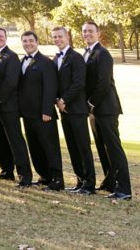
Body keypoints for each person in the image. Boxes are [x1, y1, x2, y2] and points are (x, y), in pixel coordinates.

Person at [82, 21, 133, 200]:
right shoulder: (87, 52)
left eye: (90, 31)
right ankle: (110, 182)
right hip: (94, 111)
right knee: (102, 148)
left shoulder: (103, 54)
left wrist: (91, 104)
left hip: (106, 109)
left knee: (113, 148)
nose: (87, 34)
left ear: (98, 33)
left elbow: (103, 83)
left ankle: (124, 189)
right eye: (84, 31)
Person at [52, 26, 95, 194]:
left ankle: (89, 184)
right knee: (72, 147)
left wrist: (64, 100)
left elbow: (79, 83)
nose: (57, 39)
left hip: (77, 110)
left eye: (60, 36)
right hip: (64, 111)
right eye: (55, 37)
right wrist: (57, 99)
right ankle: (80, 180)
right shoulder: (56, 59)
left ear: (67, 37)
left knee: (83, 147)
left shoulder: (76, 57)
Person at [18, 31, 63, 191]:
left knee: (50, 147)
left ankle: (57, 180)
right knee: (35, 147)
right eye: (25, 41)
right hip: (28, 114)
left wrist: (47, 111)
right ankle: (44, 176)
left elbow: (50, 88)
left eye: (31, 40)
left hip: (43, 114)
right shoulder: (22, 61)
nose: (28, 43)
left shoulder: (46, 62)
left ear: (37, 42)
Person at [0, 27, 32, 187]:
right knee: (1, 140)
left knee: (15, 141)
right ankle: (6, 171)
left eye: (0, 36)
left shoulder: (11, 56)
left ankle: (25, 175)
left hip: (8, 106)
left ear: (5, 37)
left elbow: (11, 81)